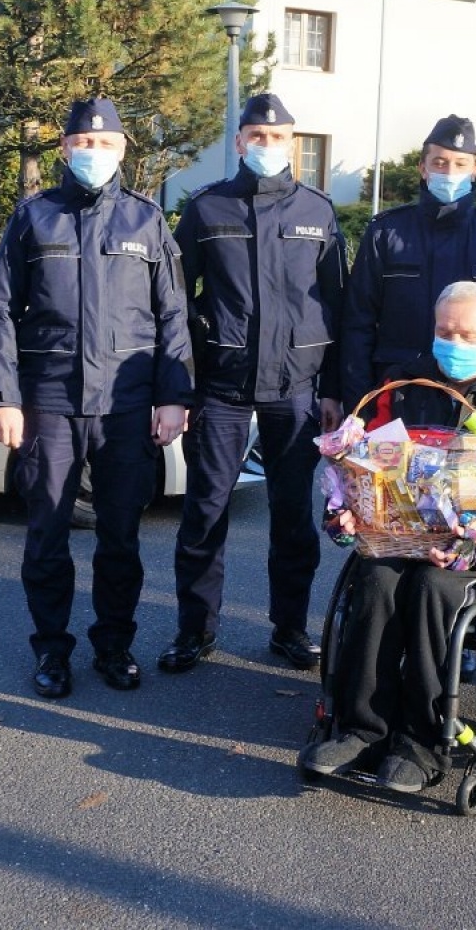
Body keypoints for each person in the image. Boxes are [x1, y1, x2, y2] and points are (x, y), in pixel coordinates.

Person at [300, 282, 476, 793]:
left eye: (467, 334)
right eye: (445, 332)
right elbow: (367, 465)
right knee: (375, 579)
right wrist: (350, 510)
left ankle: (422, 741)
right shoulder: (401, 387)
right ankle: (362, 728)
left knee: (432, 589)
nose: (453, 343)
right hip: (403, 534)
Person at [0, 96, 193, 699]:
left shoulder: (145, 220)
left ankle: (114, 645)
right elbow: (0, 311)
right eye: (82, 143)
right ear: (64, 149)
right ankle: (51, 649)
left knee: (120, 536)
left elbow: (173, 314)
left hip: (125, 405)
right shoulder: (35, 217)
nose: (92, 153)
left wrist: (174, 396)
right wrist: (4, 398)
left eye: (103, 144)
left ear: (122, 150)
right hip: (50, 401)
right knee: (47, 533)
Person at [160, 93, 347, 675]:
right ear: (239, 141)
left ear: (293, 143)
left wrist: (334, 390)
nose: (267, 145)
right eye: (257, 137)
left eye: (278, 137)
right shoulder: (207, 207)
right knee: (205, 512)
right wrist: (182, 384)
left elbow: (337, 305)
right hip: (223, 384)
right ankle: (195, 630)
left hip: (296, 385)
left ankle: (290, 628)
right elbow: (175, 303)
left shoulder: (317, 210)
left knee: (292, 517)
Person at [341, 115, 476, 413]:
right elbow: (358, 323)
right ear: (423, 168)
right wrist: (358, 405)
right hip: (397, 394)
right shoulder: (385, 233)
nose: (450, 172)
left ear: (475, 170)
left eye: (461, 164)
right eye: (440, 163)